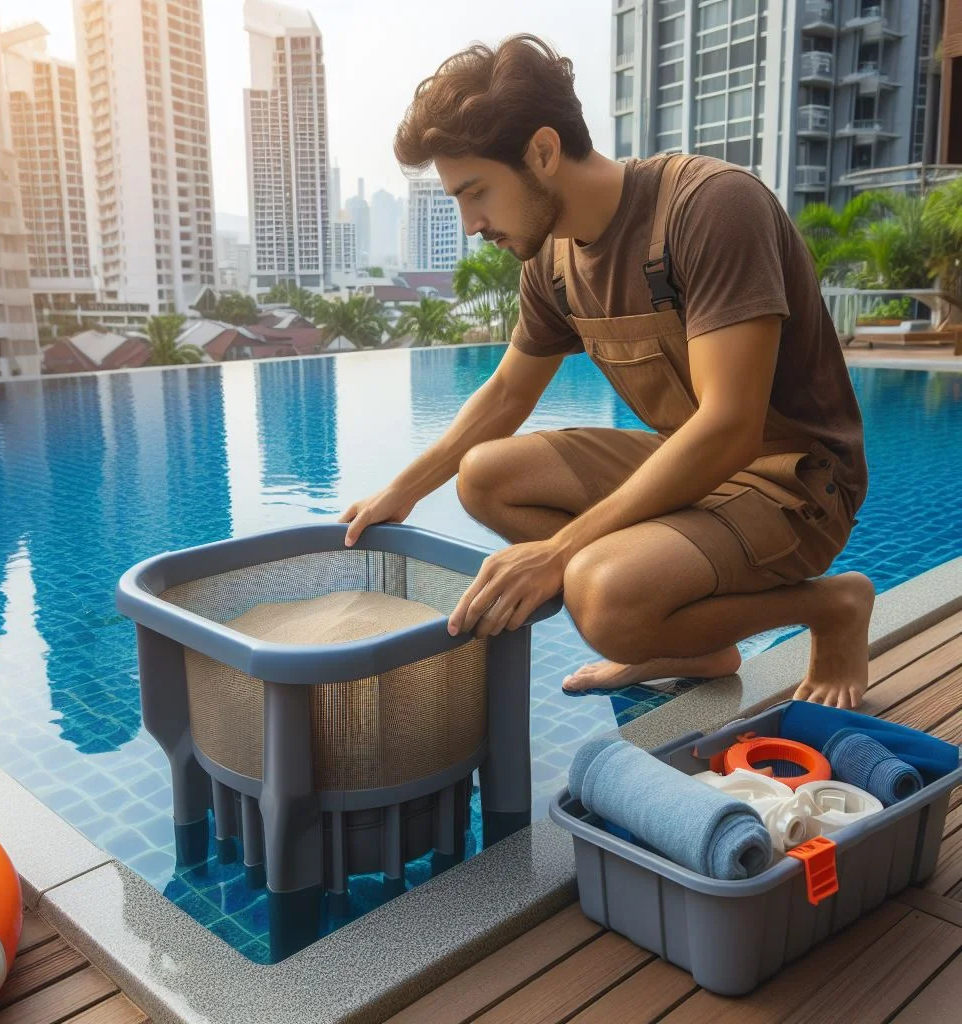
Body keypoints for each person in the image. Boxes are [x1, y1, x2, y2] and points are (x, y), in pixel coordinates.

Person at [339, 35, 872, 709]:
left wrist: (560, 551)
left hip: (798, 483)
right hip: (699, 469)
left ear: (540, 151)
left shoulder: (709, 208)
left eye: (476, 193)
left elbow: (731, 427)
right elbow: (507, 392)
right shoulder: (551, 263)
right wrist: (404, 489)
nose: (471, 223)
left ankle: (830, 606)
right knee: (485, 478)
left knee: (602, 598)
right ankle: (692, 645)